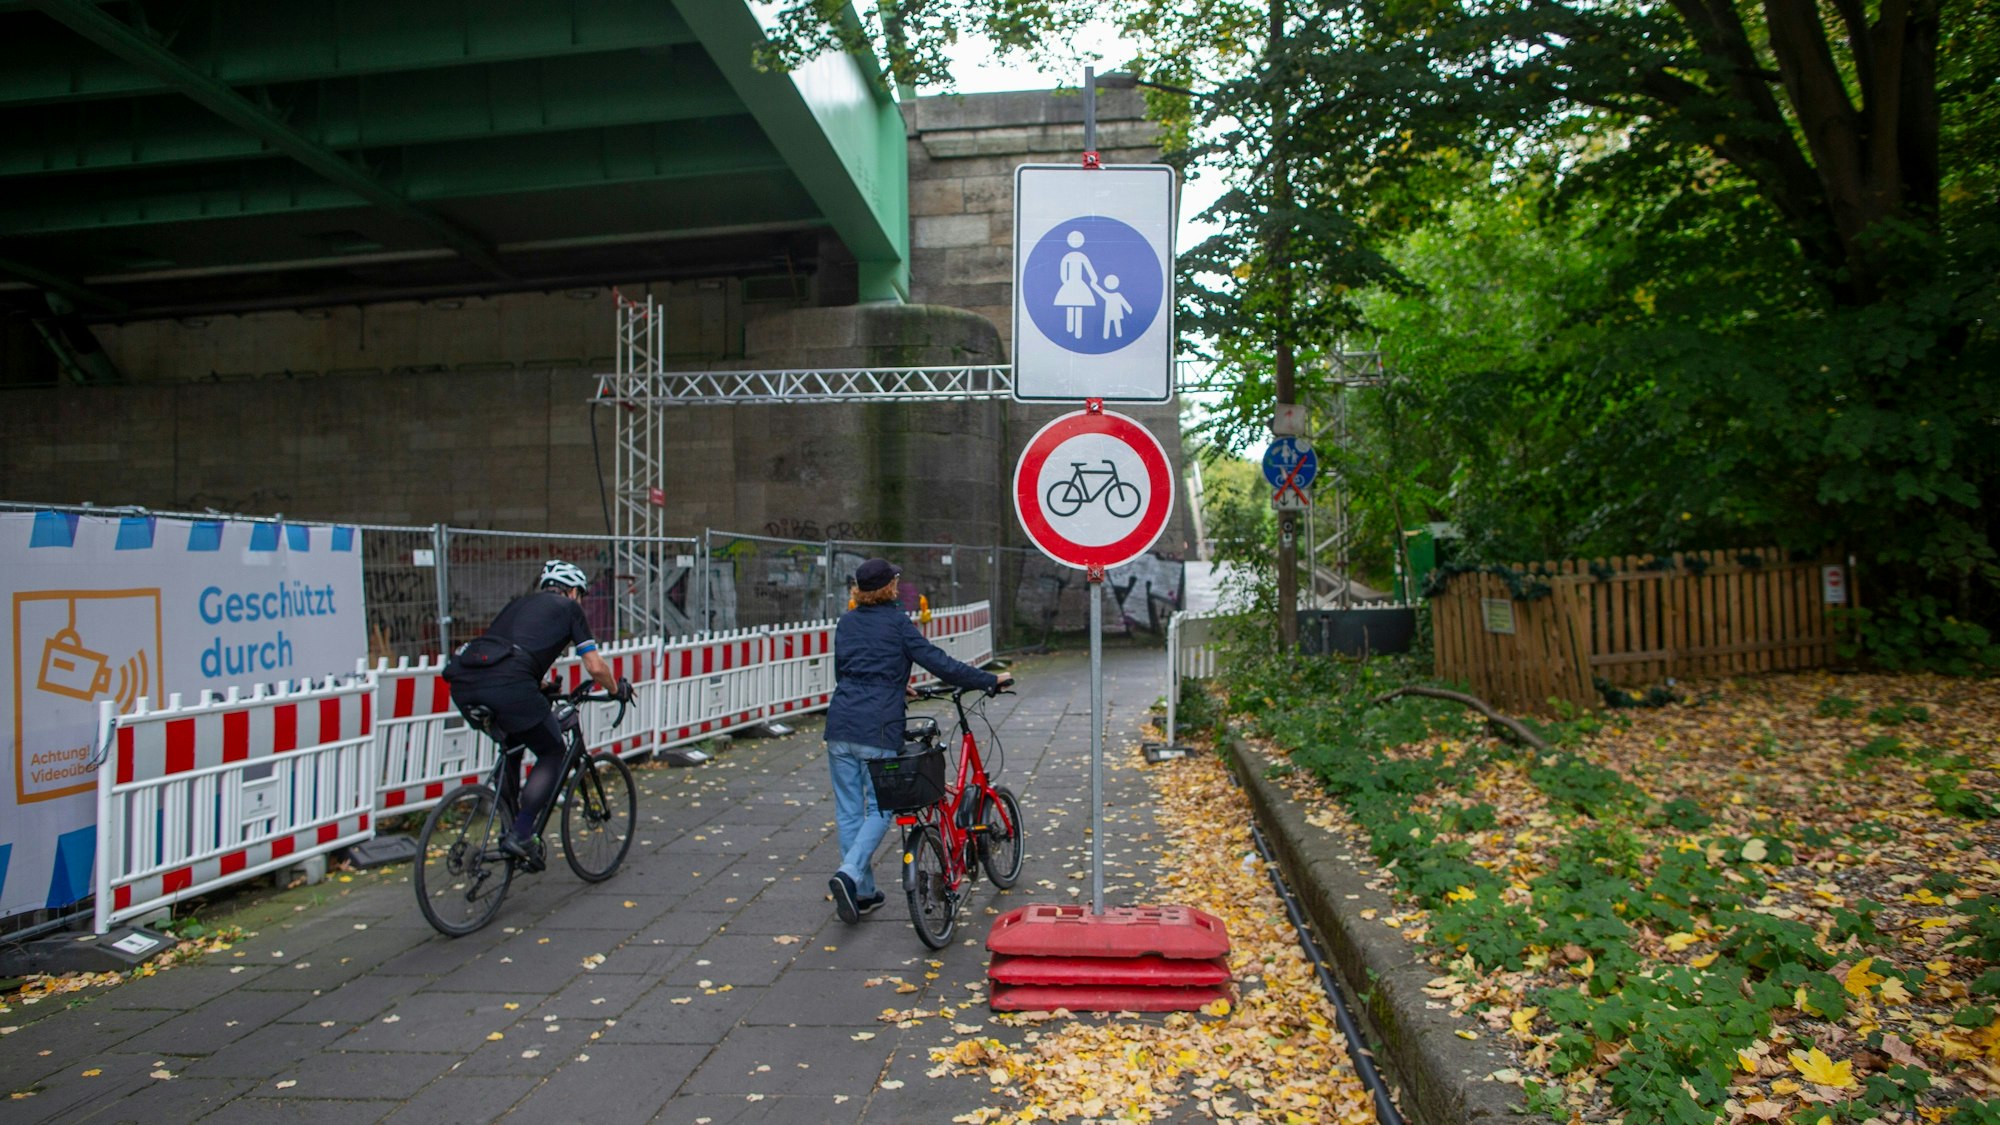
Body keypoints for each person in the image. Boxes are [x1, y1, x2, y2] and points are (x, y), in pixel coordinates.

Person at [824, 558, 1013, 922]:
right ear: (889, 587)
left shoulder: (846, 623)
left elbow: (847, 672)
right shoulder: (897, 624)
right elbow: (939, 663)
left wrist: (898, 683)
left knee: (849, 811)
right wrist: (988, 680)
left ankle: (862, 894)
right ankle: (848, 876)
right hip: (877, 727)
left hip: (841, 725)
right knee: (881, 809)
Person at [443, 560, 631, 868]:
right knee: (552, 750)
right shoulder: (569, 609)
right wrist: (614, 689)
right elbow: (595, 666)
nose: (580, 601)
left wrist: (541, 685)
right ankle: (521, 834)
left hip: (465, 684)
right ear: (572, 591)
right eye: (580, 595)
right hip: (509, 687)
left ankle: (509, 828)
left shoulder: (518, 605)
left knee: (512, 748)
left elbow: (506, 654)